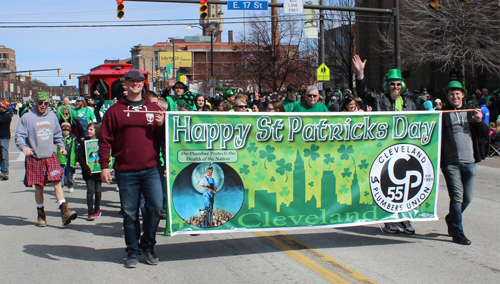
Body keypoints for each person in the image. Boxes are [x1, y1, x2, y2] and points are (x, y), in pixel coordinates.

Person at [98, 70, 165, 268]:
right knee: (130, 213)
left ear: (144, 84)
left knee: (155, 208)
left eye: (139, 81)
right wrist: (104, 166)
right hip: (125, 170)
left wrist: (161, 125)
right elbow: (105, 140)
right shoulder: (115, 111)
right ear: (125, 84)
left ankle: (148, 245)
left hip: (151, 168)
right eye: (132, 81)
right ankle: (133, 251)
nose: (136, 84)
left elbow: (164, 138)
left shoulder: (153, 108)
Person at [353, 54, 417, 234]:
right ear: (386, 85)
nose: (395, 86)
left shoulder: (410, 104)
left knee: (405, 186)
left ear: (402, 86)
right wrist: (360, 75)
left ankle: (405, 218)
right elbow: (364, 94)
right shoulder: (378, 99)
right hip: (384, 149)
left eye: (398, 84)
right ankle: (389, 219)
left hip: (405, 150)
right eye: (392, 83)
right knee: (387, 185)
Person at [15, 92, 78, 227]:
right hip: (35, 157)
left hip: (50, 156)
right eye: (40, 103)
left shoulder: (52, 116)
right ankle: (41, 215)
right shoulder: (27, 117)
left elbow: (57, 134)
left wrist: (61, 146)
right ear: (35, 102)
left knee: (57, 182)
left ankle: (64, 211)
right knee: (39, 187)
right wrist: (23, 147)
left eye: (46, 103)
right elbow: (19, 136)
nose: (43, 105)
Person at [440, 81, 489, 245]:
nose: (455, 96)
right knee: (457, 198)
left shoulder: (470, 112)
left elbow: (484, 135)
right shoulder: (442, 113)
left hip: (470, 162)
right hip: (450, 162)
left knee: (467, 198)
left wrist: (479, 121)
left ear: (462, 95)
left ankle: (451, 218)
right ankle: (457, 232)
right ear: (448, 96)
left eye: (457, 93)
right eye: (451, 94)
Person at [78, 123, 103, 221]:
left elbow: (105, 154)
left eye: (91, 129)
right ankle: (90, 211)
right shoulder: (84, 142)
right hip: (88, 172)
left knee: (98, 191)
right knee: (90, 190)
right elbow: (80, 156)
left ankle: (97, 209)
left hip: (98, 172)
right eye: (88, 129)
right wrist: (86, 168)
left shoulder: (101, 142)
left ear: (96, 130)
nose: (88, 131)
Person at [57, 122, 78, 193]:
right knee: (61, 173)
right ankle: (60, 186)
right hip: (61, 157)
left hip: (70, 157)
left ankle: (71, 185)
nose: (65, 132)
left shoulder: (73, 138)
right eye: (63, 130)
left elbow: (76, 149)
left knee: (69, 173)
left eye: (67, 130)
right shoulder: (59, 138)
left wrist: (76, 160)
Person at [0, 101, 13, 180]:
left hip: (4, 137)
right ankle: (2, 171)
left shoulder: (7, 115)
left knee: (4, 155)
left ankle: (5, 172)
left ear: (4, 108)